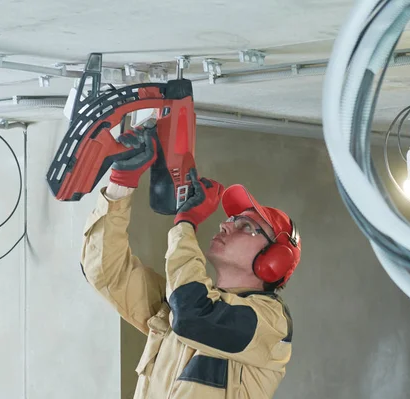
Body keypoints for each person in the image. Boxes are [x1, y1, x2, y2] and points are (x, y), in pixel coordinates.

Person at [80, 124, 301, 398]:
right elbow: (107, 273)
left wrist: (186, 223)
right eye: (231, 219)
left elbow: (193, 315)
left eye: (246, 226)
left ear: (274, 261)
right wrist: (121, 183)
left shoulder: (269, 324)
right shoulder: (180, 300)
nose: (225, 226)